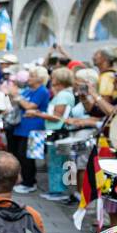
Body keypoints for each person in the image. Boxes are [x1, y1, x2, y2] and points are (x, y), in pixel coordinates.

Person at [29, 66, 79, 203]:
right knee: (58, 162)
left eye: (54, 77)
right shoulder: (64, 93)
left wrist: (37, 114)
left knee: (57, 163)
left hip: (58, 133)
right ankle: (58, 190)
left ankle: (58, 191)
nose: (52, 79)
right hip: (57, 133)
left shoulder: (63, 95)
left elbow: (57, 117)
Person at [8, 65, 51, 194]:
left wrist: (18, 97)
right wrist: (13, 96)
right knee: (19, 154)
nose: (29, 78)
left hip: (34, 128)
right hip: (21, 126)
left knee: (27, 155)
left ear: (40, 79)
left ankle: (30, 182)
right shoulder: (28, 90)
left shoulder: (42, 91)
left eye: (32, 76)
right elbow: (17, 103)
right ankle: (23, 179)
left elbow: (29, 106)